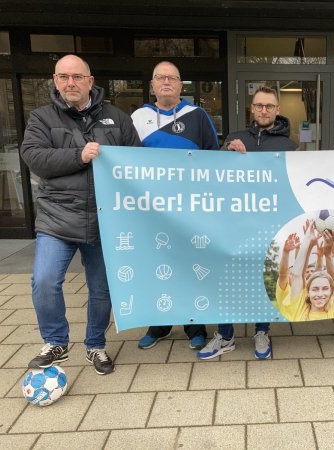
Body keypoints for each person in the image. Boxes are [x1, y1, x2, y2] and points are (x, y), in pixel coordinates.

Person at [20, 54, 141, 375]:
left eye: (76, 77)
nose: (70, 83)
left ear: (90, 81)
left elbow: (137, 161)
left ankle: (95, 345)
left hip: (105, 220)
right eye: (63, 77)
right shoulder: (42, 118)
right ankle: (55, 342)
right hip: (57, 218)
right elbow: (34, 157)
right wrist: (79, 155)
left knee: (102, 289)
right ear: (55, 81)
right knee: (44, 281)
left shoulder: (117, 118)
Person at [197, 86, 296, 360]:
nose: (264, 110)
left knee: (264, 278)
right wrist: (226, 151)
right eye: (259, 105)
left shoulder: (290, 147)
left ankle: (262, 331)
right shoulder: (234, 138)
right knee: (226, 278)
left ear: (277, 110)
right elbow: (214, 173)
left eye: (269, 106)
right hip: (233, 223)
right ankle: (225, 335)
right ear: (252, 109)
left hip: (269, 224)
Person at [131, 61, 219, 351]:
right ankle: (159, 324)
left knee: (191, 266)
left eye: (172, 78)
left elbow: (213, 158)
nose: (166, 82)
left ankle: (195, 326)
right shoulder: (138, 117)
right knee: (158, 266)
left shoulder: (198, 116)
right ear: (152, 84)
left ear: (181, 84)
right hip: (152, 210)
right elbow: (125, 162)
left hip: (190, 210)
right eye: (160, 77)